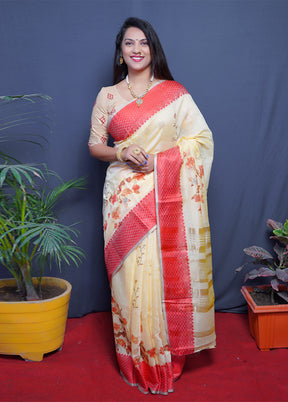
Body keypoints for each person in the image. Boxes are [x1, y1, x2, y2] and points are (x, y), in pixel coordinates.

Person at [88, 17, 215, 395]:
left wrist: (161, 162)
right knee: (129, 279)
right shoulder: (107, 96)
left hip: (165, 195)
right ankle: (137, 358)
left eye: (143, 42)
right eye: (130, 43)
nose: (137, 49)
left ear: (153, 48)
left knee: (162, 273)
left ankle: (165, 354)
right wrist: (122, 150)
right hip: (123, 197)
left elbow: (202, 140)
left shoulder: (175, 93)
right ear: (120, 51)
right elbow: (95, 146)